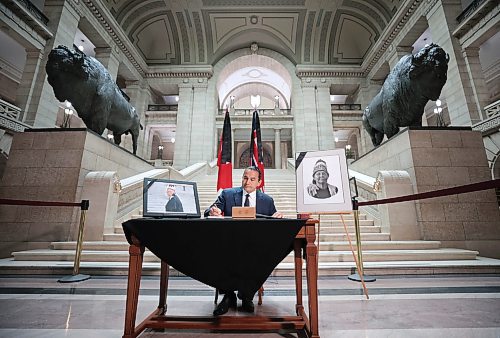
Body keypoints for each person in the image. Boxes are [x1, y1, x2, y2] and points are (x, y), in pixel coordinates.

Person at [205, 166, 283, 316]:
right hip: (229, 245)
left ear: (259, 182)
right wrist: (213, 211)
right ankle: (228, 296)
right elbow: (209, 211)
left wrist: (276, 217)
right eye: (245, 178)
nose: (248, 182)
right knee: (219, 254)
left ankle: (247, 295)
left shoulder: (267, 201)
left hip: (255, 246)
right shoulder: (227, 195)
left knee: (262, 257)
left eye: (252, 179)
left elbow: (273, 222)